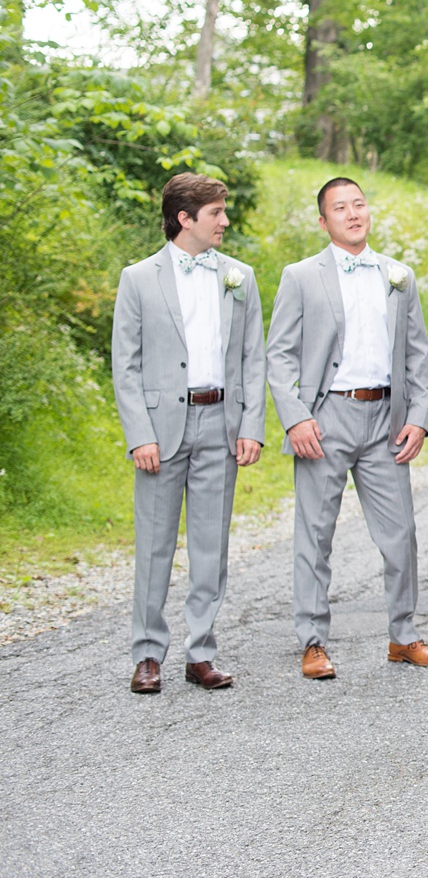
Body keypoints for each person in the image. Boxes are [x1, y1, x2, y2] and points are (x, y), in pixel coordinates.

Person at [266, 177, 428, 680]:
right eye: (340, 208)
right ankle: (312, 642)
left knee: (401, 534)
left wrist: (418, 416)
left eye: (359, 205)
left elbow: (416, 354)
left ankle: (404, 636)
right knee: (315, 535)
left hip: (385, 420)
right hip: (325, 420)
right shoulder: (301, 276)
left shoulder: (398, 276)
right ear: (323, 221)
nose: (353, 214)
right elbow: (279, 354)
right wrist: (296, 416)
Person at [111, 172, 265, 693]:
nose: (225, 220)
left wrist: (251, 425)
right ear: (186, 218)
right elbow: (125, 365)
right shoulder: (138, 278)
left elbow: (252, 359)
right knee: (154, 545)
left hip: (220, 422)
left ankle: (200, 652)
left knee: (210, 546)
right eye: (217, 213)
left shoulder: (240, 277)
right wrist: (140, 434)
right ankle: (148, 654)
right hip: (161, 428)